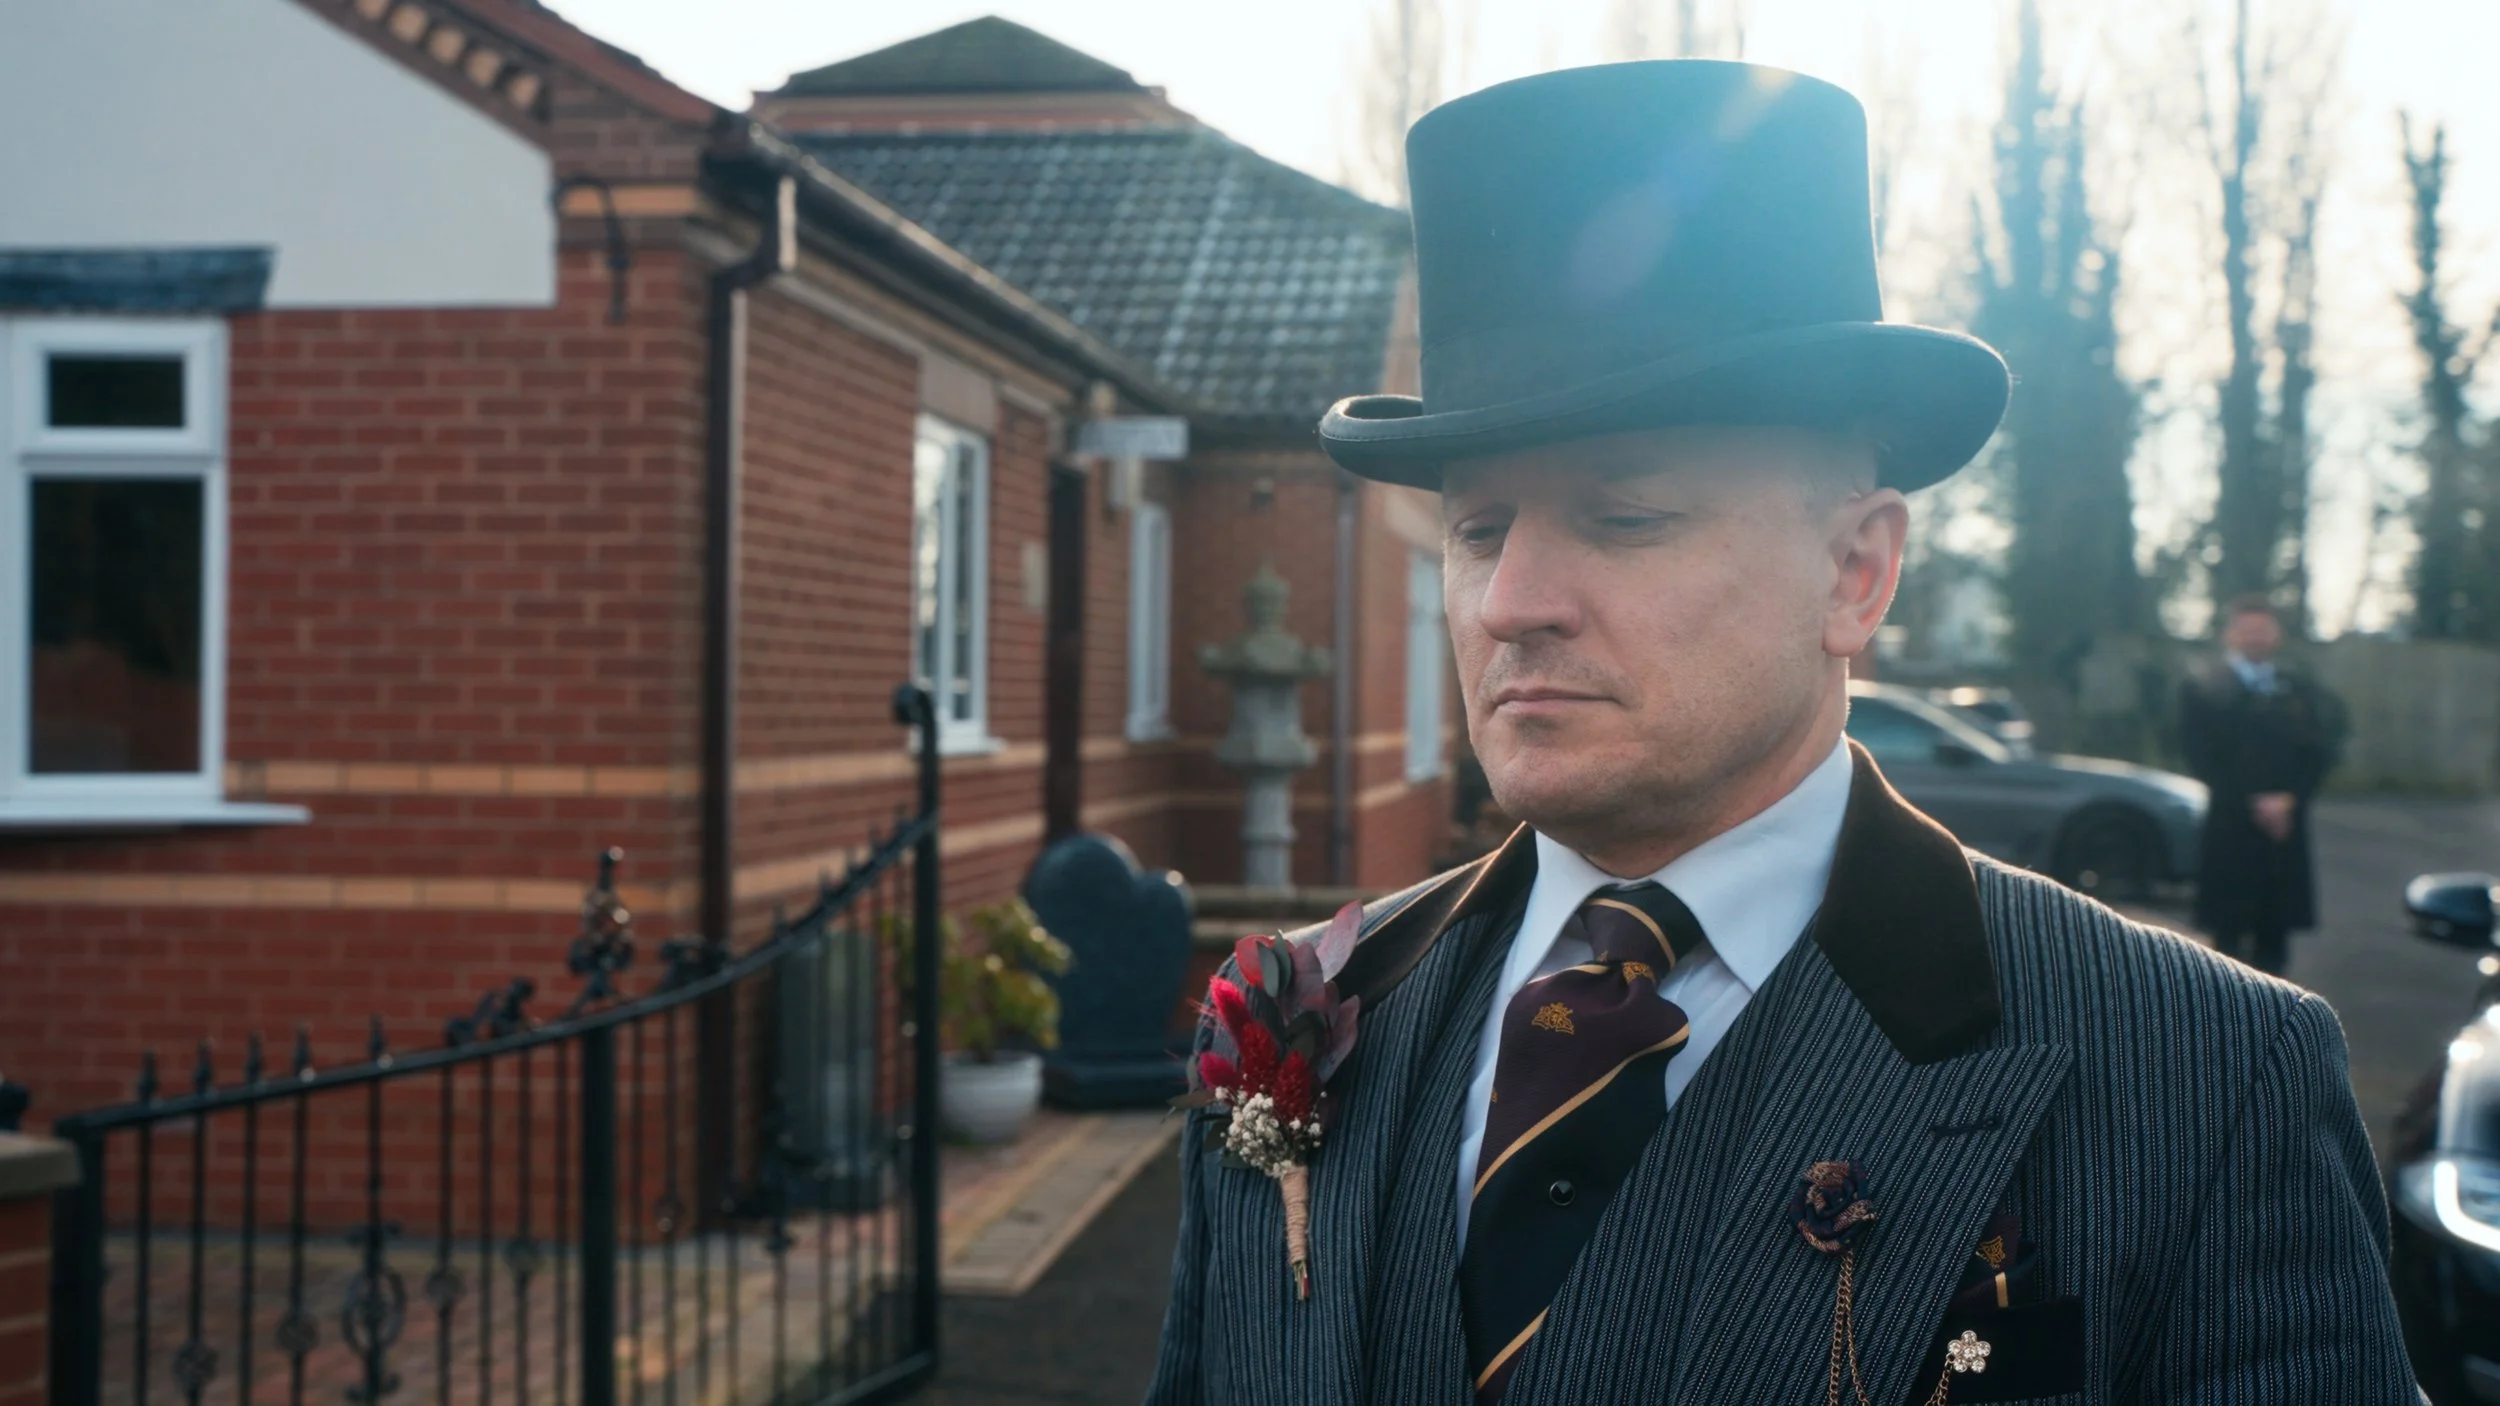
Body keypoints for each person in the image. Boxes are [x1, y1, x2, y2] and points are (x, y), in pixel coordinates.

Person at [1148, 60, 2415, 1405]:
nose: (1510, 603)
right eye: (1478, 529)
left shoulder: (2202, 1075)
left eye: (1623, 516)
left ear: (1857, 571)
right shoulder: (1313, 1008)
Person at [2179, 594, 2340, 976]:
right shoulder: (2204, 689)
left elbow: (2318, 753)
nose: (2256, 638)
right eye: (2247, 630)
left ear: (2277, 636)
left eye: (2264, 630)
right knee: (2226, 950)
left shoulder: (2297, 689)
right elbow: (2199, 755)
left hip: (2282, 834)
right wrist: (2253, 803)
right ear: (2230, 635)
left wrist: (2287, 801)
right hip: (2232, 829)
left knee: (2275, 946)